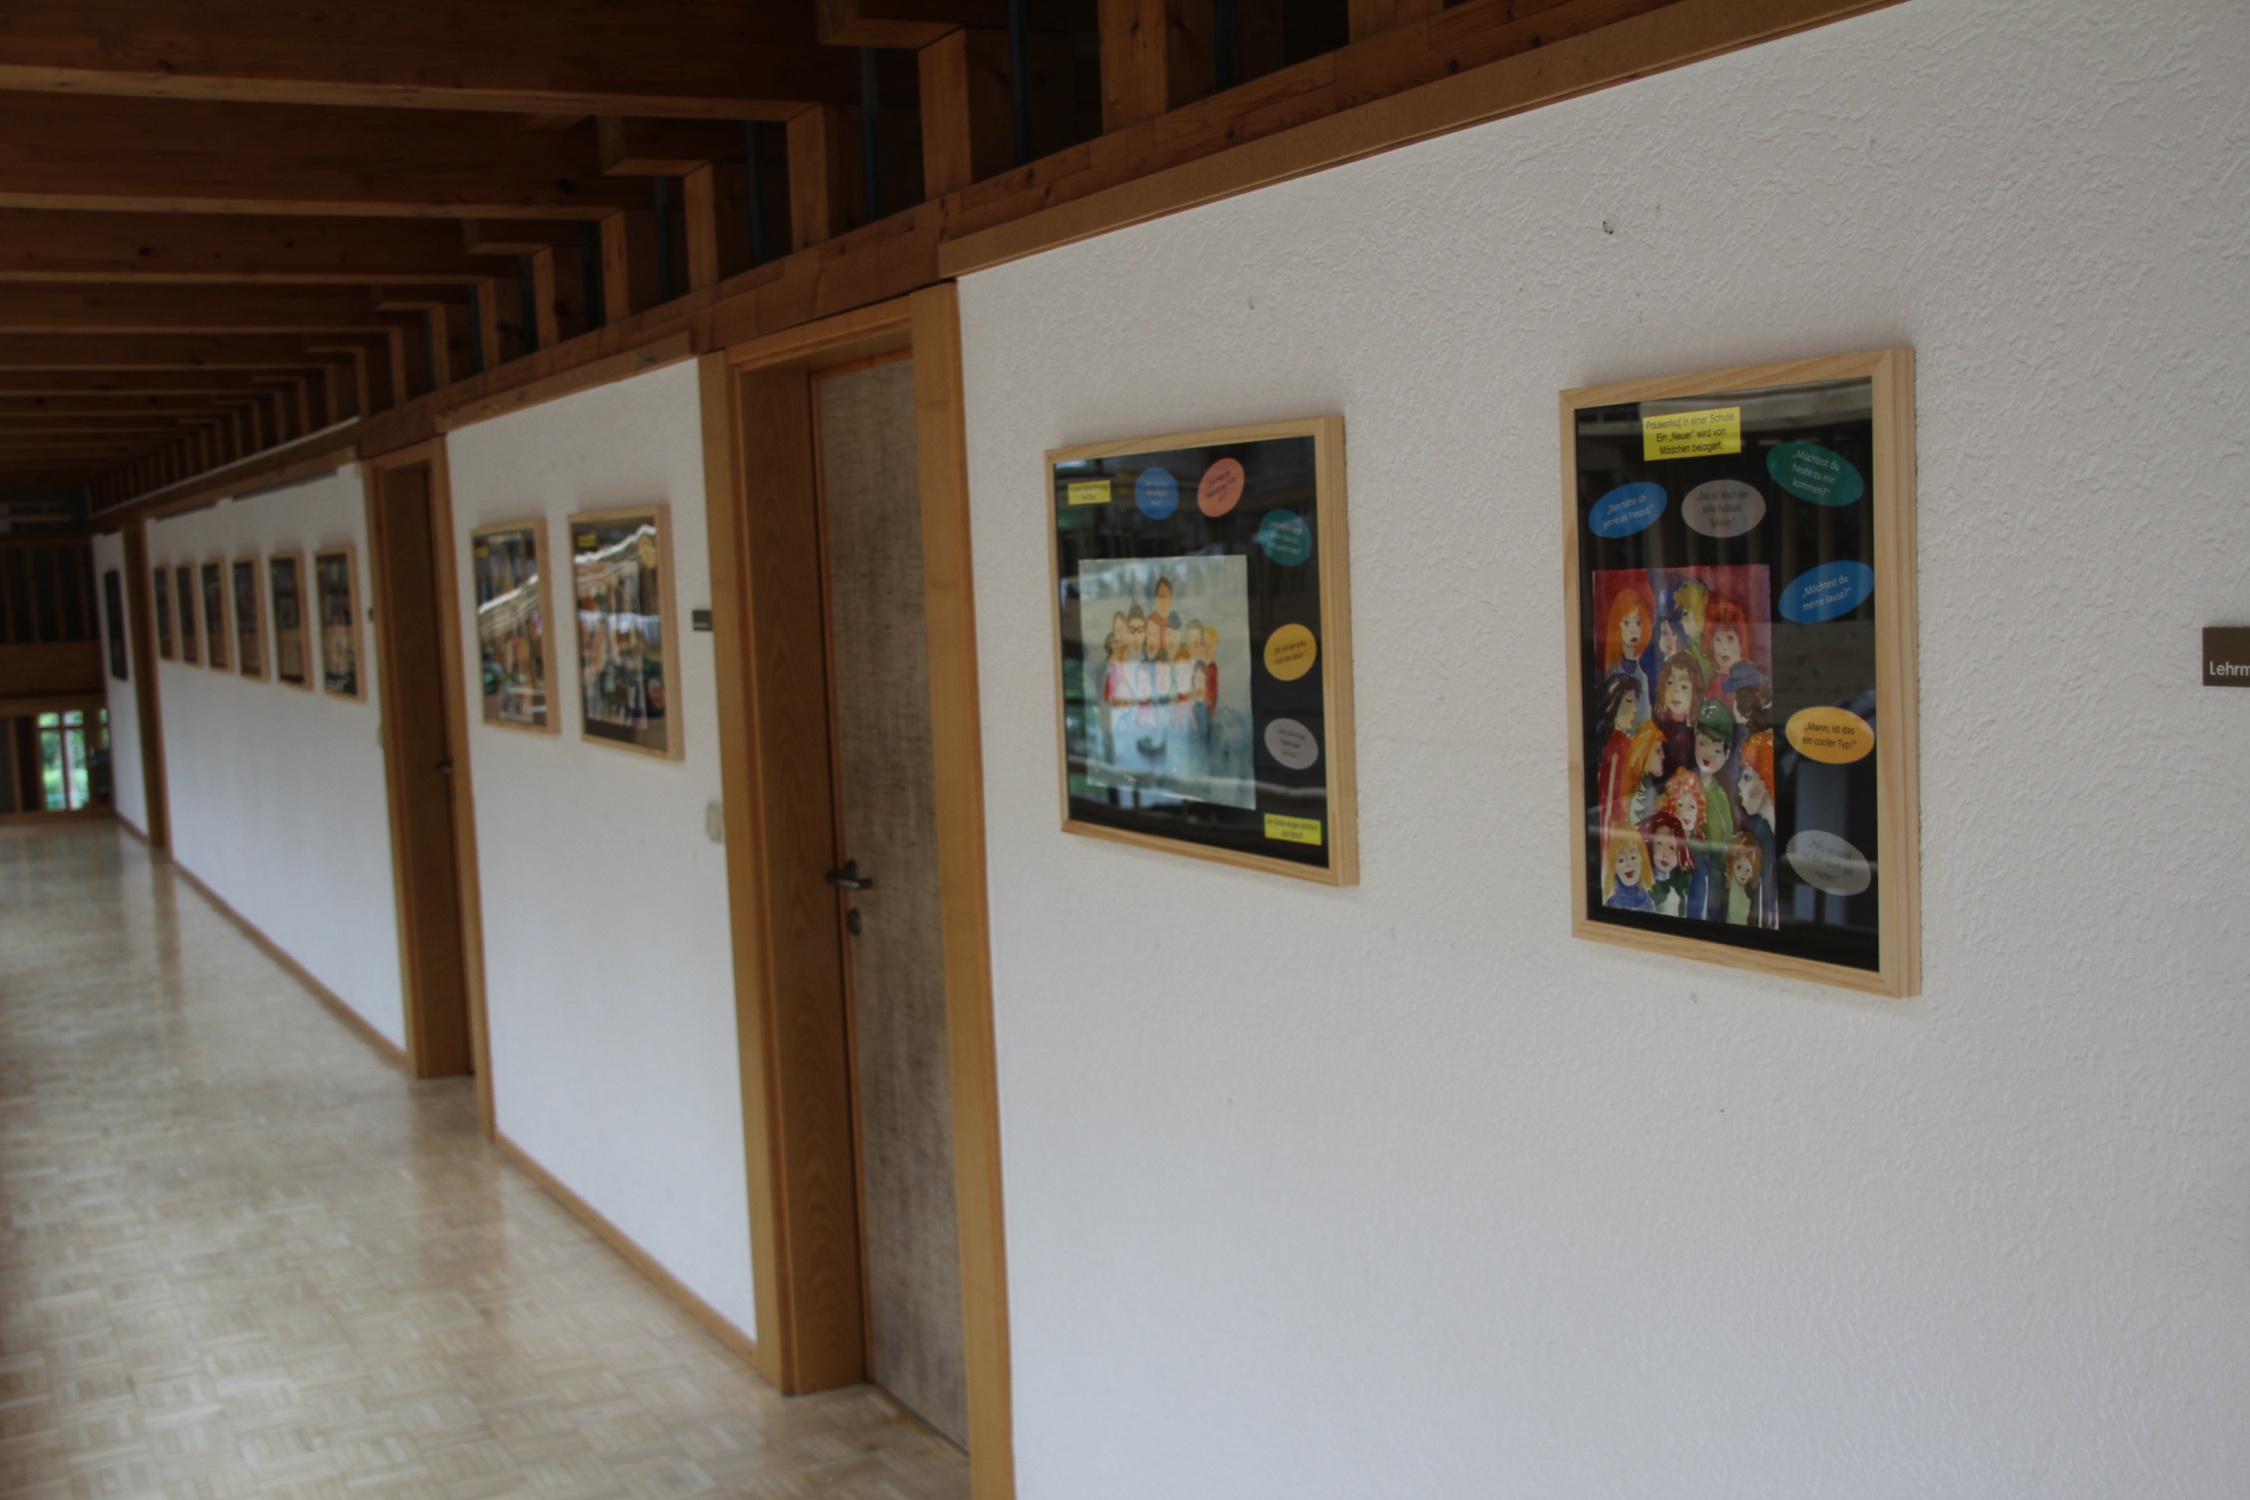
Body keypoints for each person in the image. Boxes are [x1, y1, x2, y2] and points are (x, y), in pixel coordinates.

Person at [1688, 700, 1739, 921]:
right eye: (1703, 743)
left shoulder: (1720, 793)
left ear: (1726, 756)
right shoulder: (1688, 787)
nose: (1709, 753)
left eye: (1717, 749)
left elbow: (1727, 828)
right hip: (1698, 864)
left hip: (1719, 866)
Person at [1593, 674, 1642, 879]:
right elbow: (1609, 803)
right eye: (1629, 701)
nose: (1635, 709)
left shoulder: (1626, 744)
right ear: (1613, 703)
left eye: (1635, 702)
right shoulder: (1616, 746)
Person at [1734, 730, 1779, 927]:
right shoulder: (1762, 833)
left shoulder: (1766, 836)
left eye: (1747, 778)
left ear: (1767, 782)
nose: (1739, 785)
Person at [1603, 582, 1655, 722]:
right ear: (1616, 626)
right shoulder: (1613, 674)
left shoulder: (1642, 676)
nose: (1633, 630)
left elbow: (1645, 722)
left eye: (1638, 623)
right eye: (1626, 623)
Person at [1706, 596, 1764, 704]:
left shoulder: (1754, 680)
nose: (1724, 647)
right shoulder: (1709, 686)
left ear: (1741, 641)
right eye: (1718, 639)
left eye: (1730, 638)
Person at [1652, 651, 1702, 776]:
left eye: (1684, 686)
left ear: (1695, 692)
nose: (1675, 691)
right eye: (1670, 683)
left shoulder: (1697, 731)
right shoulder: (1656, 730)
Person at [1643, 812, 1692, 917]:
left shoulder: (1682, 881)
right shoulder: (1642, 880)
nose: (1665, 854)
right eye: (1659, 844)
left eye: (1671, 848)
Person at [1603, 827, 1656, 913]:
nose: (1628, 864)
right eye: (1621, 860)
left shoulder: (1647, 901)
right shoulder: (1611, 902)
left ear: (1642, 859)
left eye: (1633, 857)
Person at [1722, 831, 1765, 927]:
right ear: (1732, 865)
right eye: (1739, 867)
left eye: (1747, 870)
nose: (1743, 873)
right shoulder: (1727, 888)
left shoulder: (1750, 895)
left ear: (1752, 872)